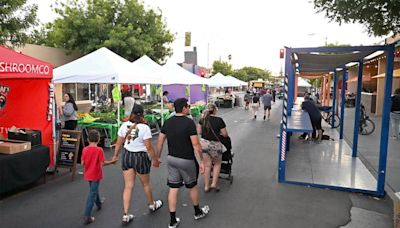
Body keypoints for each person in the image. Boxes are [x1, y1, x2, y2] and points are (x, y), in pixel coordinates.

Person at [157, 98, 209, 228]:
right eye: (188, 106)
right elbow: (196, 144)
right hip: (187, 160)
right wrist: (201, 161)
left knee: (173, 188)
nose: (189, 108)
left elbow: (160, 141)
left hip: (172, 159)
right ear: (184, 108)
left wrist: (157, 157)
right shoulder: (189, 123)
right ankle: (197, 212)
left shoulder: (168, 122)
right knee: (192, 186)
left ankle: (172, 220)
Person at [111, 105, 163, 225]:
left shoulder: (124, 125)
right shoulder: (145, 128)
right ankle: (152, 204)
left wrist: (115, 156)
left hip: (127, 156)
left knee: (128, 186)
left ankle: (125, 214)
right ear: (142, 114)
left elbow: (118, 143)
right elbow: (149, 147)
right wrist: (155, 160)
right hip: (140, 157)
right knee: (145, 184)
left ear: (132, 113)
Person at [81, 130, 112, 225]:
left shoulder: (85, 149)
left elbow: (82, 163)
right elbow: (102, 163)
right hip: (96, 174)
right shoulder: (99, 150)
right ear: (98, 139)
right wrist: (112, 162)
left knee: (93, 190)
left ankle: (98, 203)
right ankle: (87, 215)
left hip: (88, 173)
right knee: (92, 193)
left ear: (88, 139)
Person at [198, 104, 229, 193]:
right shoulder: (219, 120)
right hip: (215, 145)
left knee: (207, 165)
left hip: (204, 144)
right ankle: (214, 184)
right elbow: (225, 134)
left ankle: (206, 186)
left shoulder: (202, 120)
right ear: (215, 110)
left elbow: (199, 132)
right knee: (216, 164)